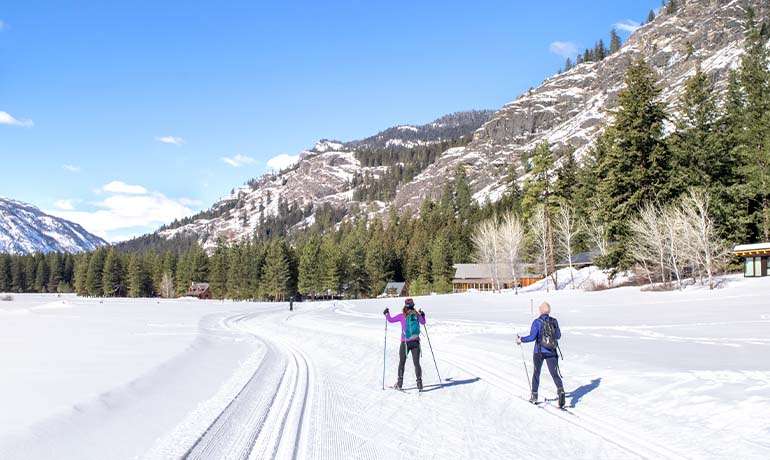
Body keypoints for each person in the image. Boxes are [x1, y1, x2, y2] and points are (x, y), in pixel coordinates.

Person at [516, 301, 565, 408]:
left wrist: (521, 339)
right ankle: (561, 390)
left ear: (540, 310)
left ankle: (534, 396)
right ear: (549, 311)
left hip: (539, 352)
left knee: (536, 373)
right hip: (552, 351)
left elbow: (532, 337)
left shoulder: (537, 322)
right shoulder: (554, 321)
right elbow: (558, 336)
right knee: (554, 373)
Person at [383, 298, 426, 391]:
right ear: (413, 305)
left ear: (405, 306)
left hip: (405, 342)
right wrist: (423, 315)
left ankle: (399, 384)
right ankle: (419, 384)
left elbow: (390, 320)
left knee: (402, 363)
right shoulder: (417, 315)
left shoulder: (402, 316)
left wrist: (386, 313)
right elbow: (423, 322)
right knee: (417, 363)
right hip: (416, 342)